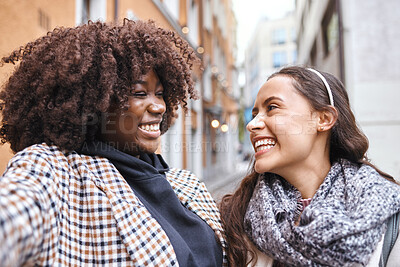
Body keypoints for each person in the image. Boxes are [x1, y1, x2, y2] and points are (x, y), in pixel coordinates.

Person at [0, 19, 226, 266]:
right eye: (140, 93)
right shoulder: (55, 171)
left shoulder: (184, 183)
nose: (159, 106)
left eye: (160, 94)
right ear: (97, 103)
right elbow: (12, 217)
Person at [219, 66, 400, 266]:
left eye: (272, 107)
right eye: (255, 114)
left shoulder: (389, 215)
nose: (252, 124)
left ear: (323, 119)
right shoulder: (235, 219)